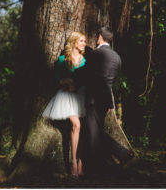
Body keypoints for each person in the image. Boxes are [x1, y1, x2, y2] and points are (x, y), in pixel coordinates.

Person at [75, 27, 133, 174]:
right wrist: (109, 102)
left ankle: (108, 162)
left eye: (96, 36)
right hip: (105, 99)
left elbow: (85, 73)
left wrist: (73, 72)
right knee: (95, 131)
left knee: (93, 133)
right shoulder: (117, 57)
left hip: (93, 97)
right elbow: (111, 80)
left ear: (100, 37)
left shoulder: (96, 54)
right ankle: (117, 156)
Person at [42, 32, 87, 177]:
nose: (84, 43)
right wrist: (65, 80)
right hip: (65, 97)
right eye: (81, 41)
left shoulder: (85, 60)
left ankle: (80, 161)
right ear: (73, 42)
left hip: (80, 97)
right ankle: (73, 162)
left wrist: (76, 83)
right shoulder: (62, 60)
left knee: (83, 129)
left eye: (85, 41)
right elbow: (55, 79)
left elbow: (86, 79)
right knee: (76, 125)